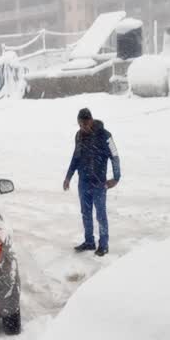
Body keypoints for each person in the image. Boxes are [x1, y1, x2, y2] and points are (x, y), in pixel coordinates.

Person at [63, 108, 122, 257]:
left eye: (85, 124)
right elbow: (76, 157)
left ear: (91, 120)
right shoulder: (79, 136)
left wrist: (116, 178)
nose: (83, 127)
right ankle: (89, 242)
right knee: (85, 213)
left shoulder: (105, 135)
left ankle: (104, 245)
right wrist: (68, 177)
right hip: (83, 182)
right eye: (80, 124)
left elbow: (115, 156)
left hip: (99, 183)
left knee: (100, 214)